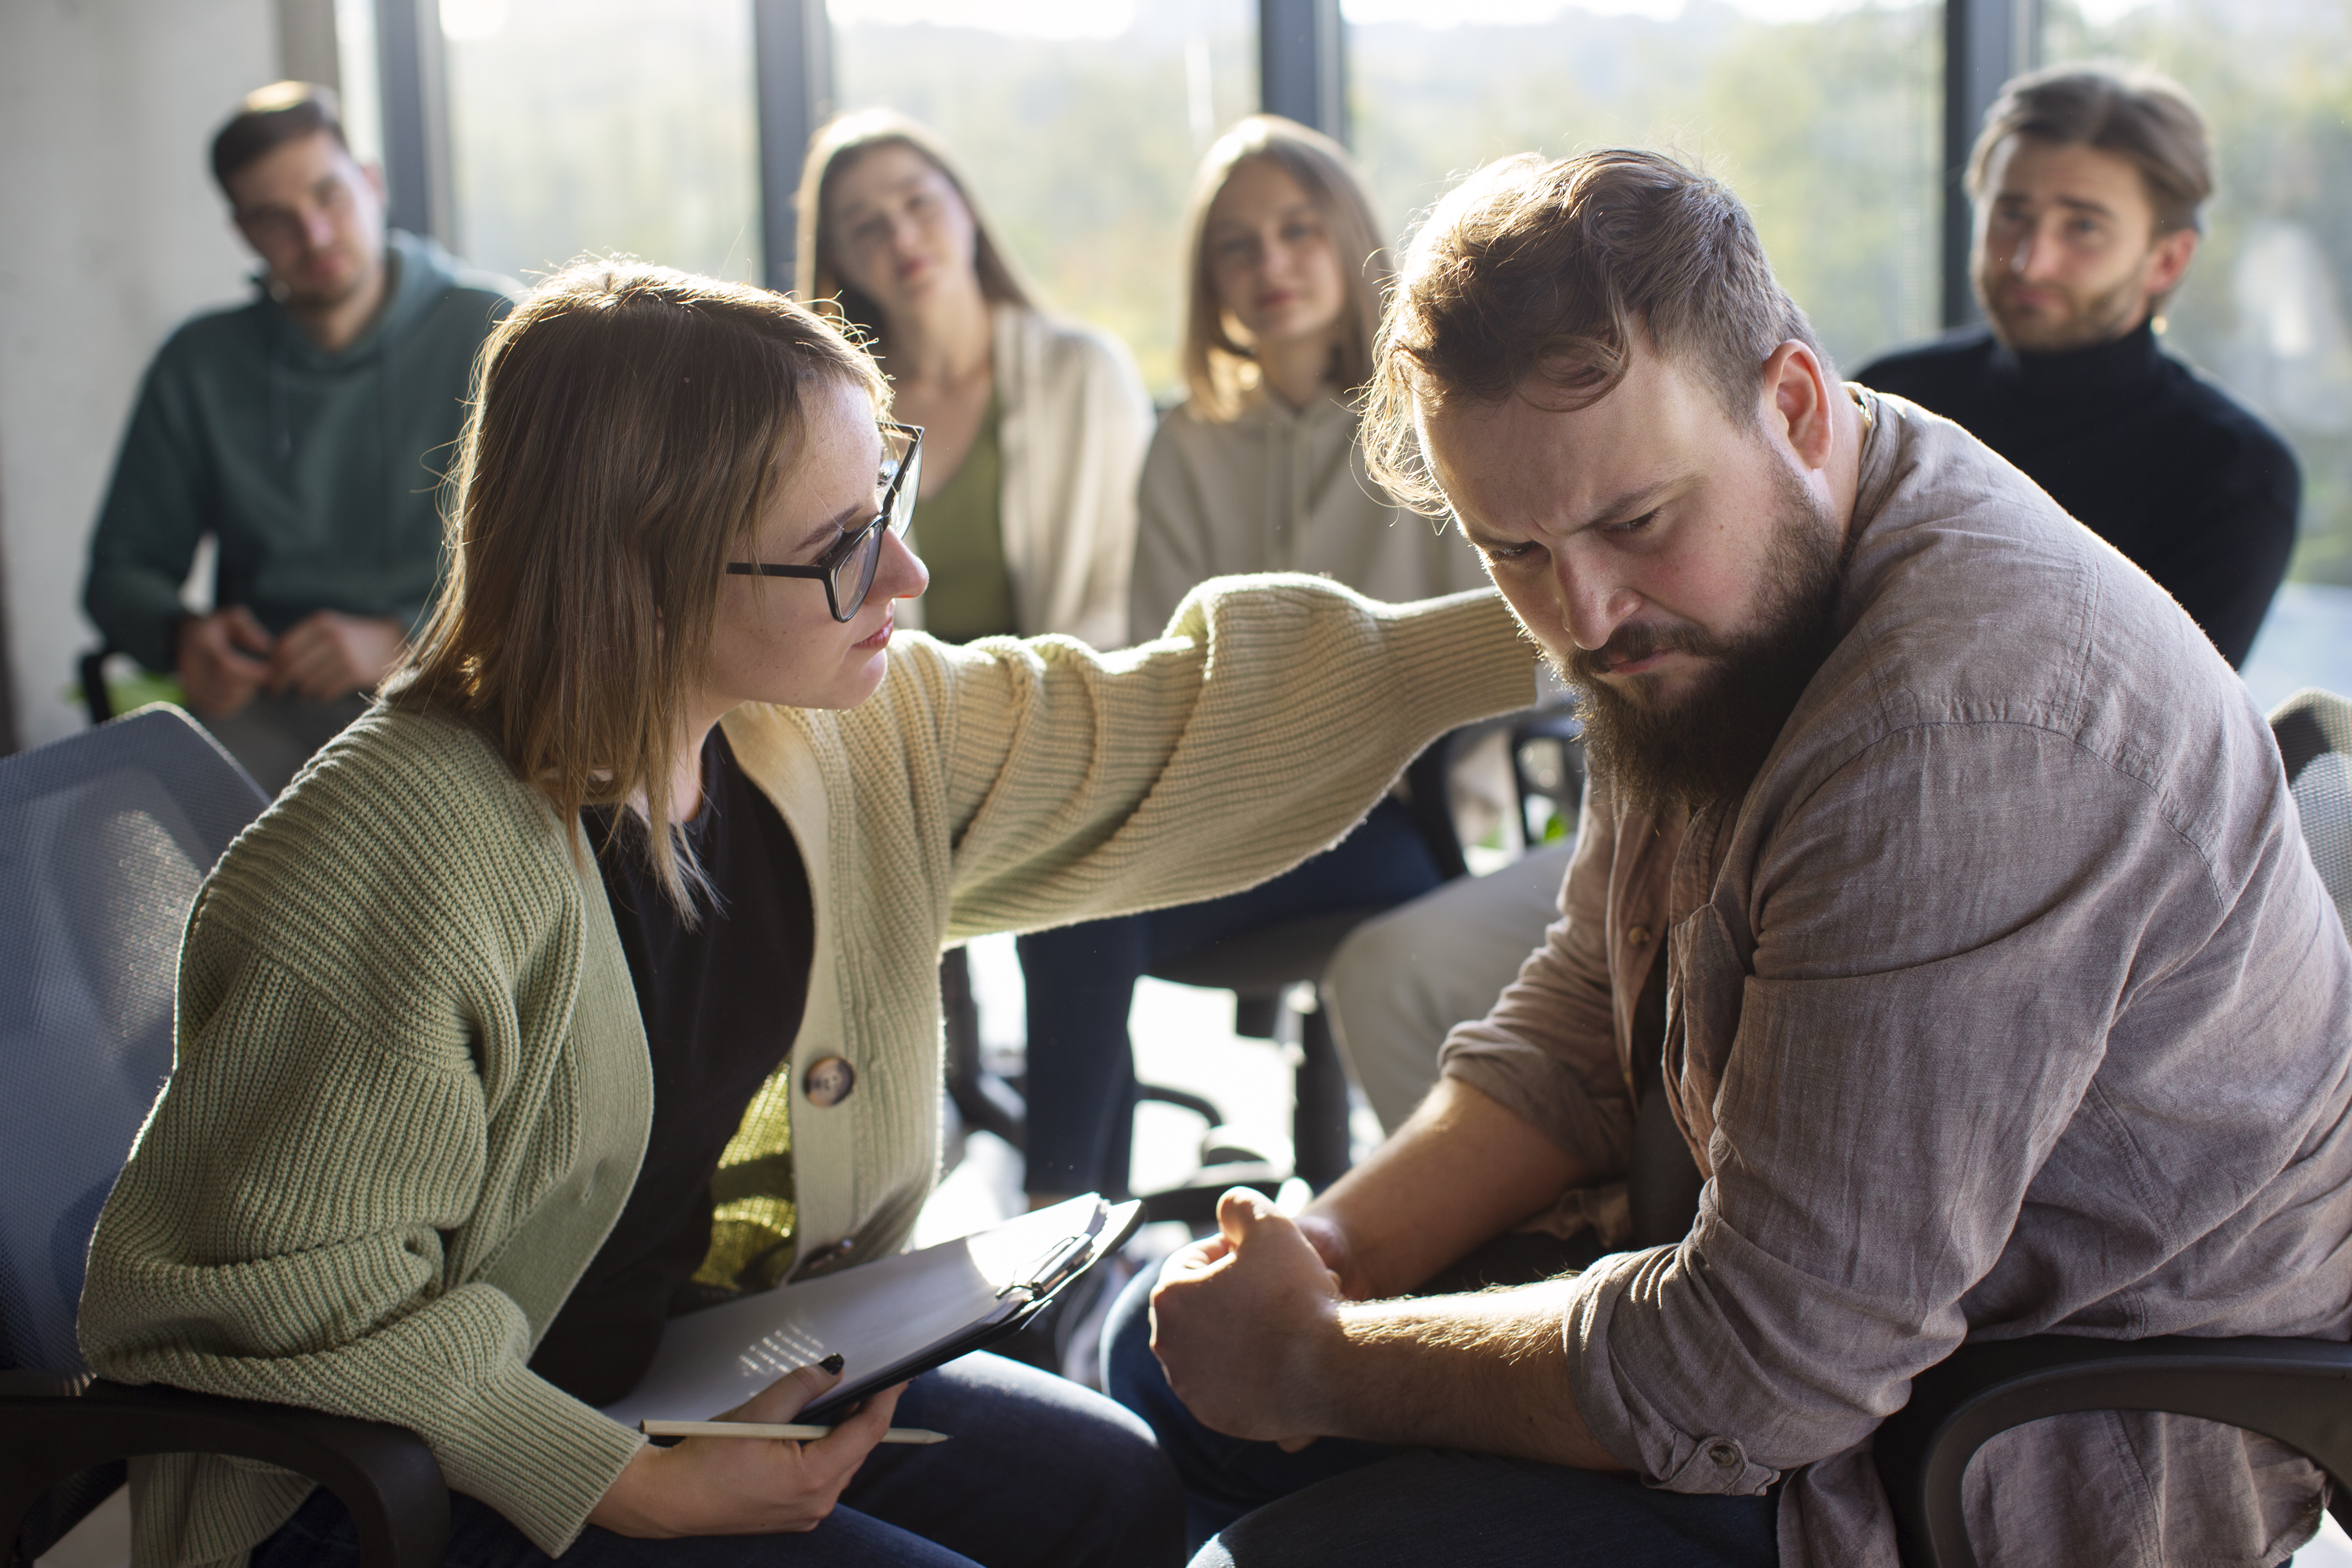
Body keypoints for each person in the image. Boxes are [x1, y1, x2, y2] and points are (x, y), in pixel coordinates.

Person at [77, 262, 1542, 1568]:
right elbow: (272, 1309)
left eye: (885, 500)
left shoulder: (826, 729)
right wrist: (618, 1486)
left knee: (1111, 1490)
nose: (901, 575)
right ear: (641, 574)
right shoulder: (392, 865)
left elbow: (1169, 723)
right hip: (391, 1472)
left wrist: (1565, 612)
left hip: (662, 1363)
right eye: (842, 542)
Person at [1107, 147, 2352, 1568]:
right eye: (1508, 548)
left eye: (1633, 521)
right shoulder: (1719, 588)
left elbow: (1758, 1372)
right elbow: (1594, 1005)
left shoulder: (1960, 729)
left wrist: (1316, 1366)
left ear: (1798, 406)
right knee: (1164, 1390)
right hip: (1818, 1337)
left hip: (2005, 1452)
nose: (1580, 614)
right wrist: (1334, 1260)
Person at [1014, 115, 1493, 1207]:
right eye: (1238, 244)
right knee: (1064, 898)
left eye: (1297, 230)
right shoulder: (1185, 444)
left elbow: (1482, 650)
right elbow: (1163, 671)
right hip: (1222, 816)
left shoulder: (1435, 424)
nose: (1270, 264)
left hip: (1392, 822)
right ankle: (1061, 1236)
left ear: (1350, 238)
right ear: (1210, 278)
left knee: (1092, 903)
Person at [82, 81, 517, 794]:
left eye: (329, 196)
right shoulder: (201, 364)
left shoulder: (498, 330)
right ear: (244, 234)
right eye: (275, 218)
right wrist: (184, 639)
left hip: (466, 688)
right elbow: (119, 571)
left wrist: (409, 638)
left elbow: (576, 553)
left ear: (372, 184)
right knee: (99, 835)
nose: (313, 235)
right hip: (271, 708)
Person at [1859, 62, 2298, 669]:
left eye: (2083, 227)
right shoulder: (1890, 395)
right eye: (2011, 213)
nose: (2028, 262)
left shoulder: (2231, 472)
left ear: (2165, 262)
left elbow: (2155, 737)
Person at [794, 108, 1151, 649]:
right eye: (867, 225)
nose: (902, 235)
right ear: (840, 261)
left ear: (967, 210)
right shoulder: (831, 412)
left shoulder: (1086, 372)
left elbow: (1125, 590)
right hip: (893, 716)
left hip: (1064, 706)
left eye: (919, 202)